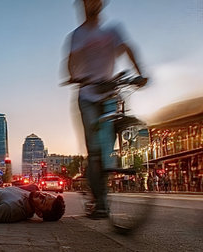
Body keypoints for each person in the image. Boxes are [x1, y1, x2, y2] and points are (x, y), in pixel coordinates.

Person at [64, 0, 147, 218]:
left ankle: (105, 186)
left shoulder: (112, 31)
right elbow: (71, 61)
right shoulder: (78, 36)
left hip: (110, 92)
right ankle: (100, 202)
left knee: (106, 150)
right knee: (95, 151)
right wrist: (75, 75)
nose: (92, 4)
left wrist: (140, 73)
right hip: (88, 96)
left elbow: (128, 48)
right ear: (82, 6)